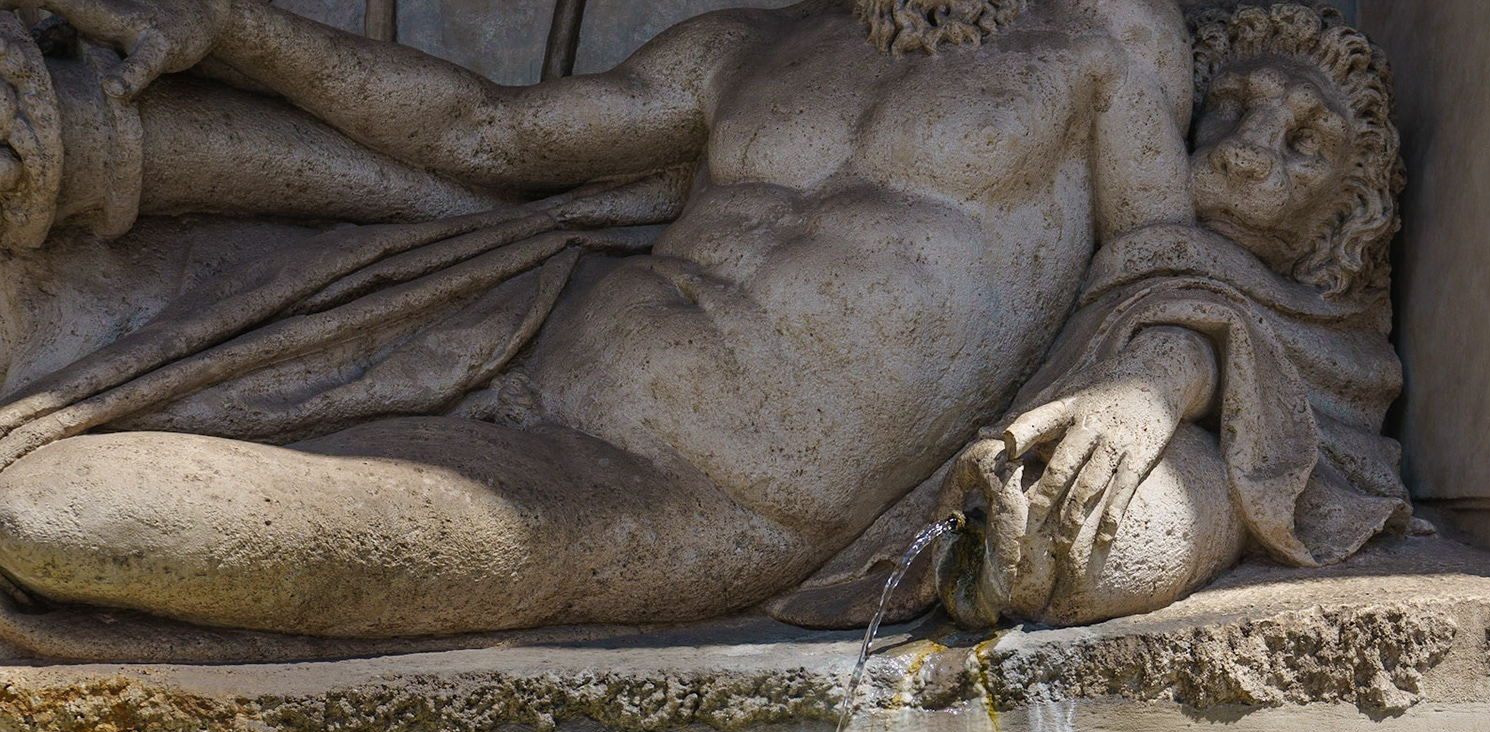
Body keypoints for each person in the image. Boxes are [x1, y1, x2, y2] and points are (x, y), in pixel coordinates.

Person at [0, 0, 1196, 643]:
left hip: (679, 497)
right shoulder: (754, 43)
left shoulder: (1105, 39)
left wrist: (1145, 393)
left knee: (54, 508)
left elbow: (1172, 270)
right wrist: (238, 28)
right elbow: (485, 131)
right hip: (514, 364)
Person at [773, 2, 1411, 629]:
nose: (1245, 152)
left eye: (1304, 143)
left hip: (1189, 440)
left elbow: (1288, 391)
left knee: (1094, 547)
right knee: (1059, 522)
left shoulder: (1340, 340)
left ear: (1347, 213)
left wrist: (1165, 376)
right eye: (1232, 108)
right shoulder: (1134, 244)